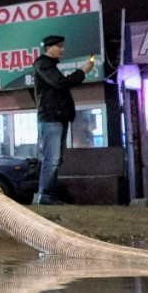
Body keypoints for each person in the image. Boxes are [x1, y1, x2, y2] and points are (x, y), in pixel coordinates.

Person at [32, 34, 94, 204]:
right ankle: (44, 195)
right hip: (51, 118)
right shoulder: (43, 64)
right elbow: (60, 83)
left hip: (57, 118)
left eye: (62, 46)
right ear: (48, 48)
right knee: (51, 159)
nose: (62, 50)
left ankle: (49, 195)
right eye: (58, 46)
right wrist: (82, 71)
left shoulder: (49, 65)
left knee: (55, 159)